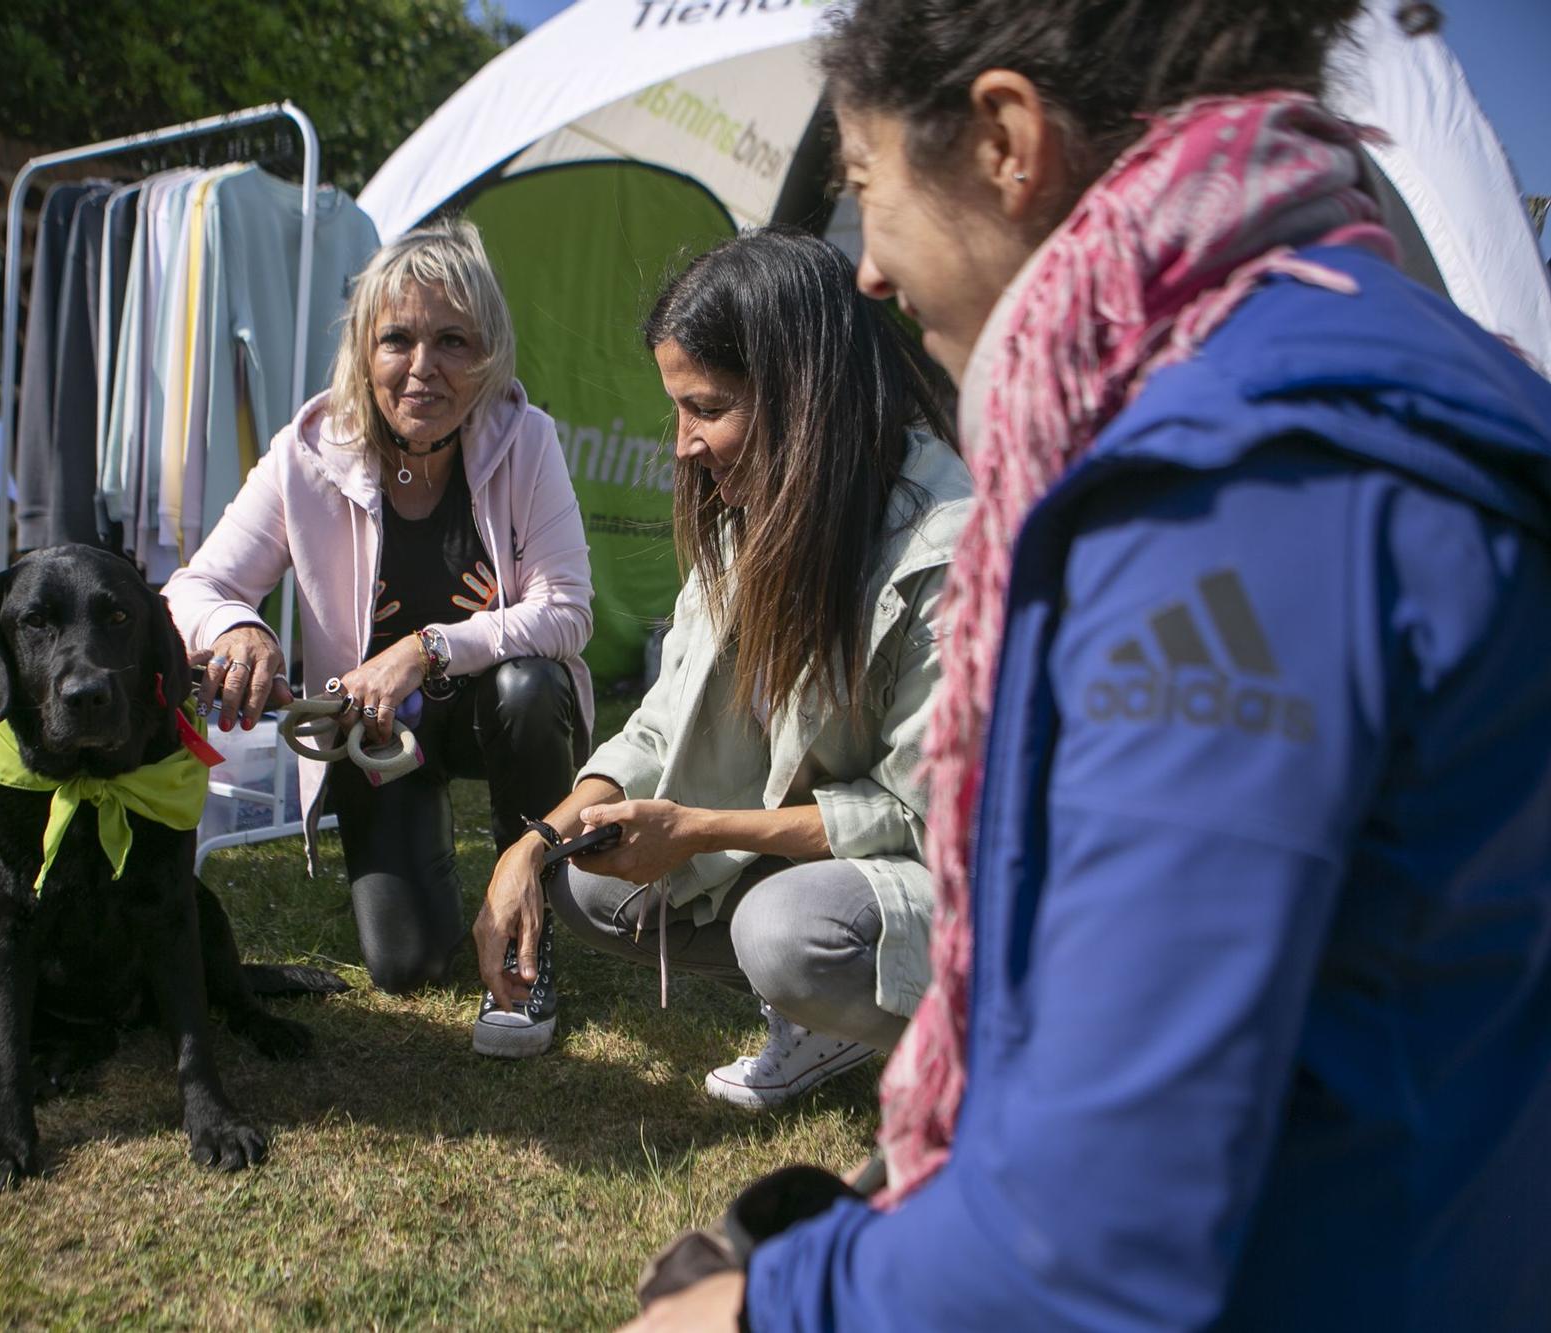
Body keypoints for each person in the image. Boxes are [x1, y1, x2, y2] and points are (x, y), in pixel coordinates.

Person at [626, 1, 1551, 1330]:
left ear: (1007, 139)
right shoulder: (1439, 378)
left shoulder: (1219, 493)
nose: (869, 272)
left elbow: (1085, 1243)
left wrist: (760, 1311)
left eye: (869, 186)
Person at [471, 229, 969, 1092]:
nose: (682, 445)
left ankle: (979, 1044)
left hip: (966, 886)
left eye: (707, 408)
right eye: (679, 410)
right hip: (829, 855)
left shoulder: (949, 550)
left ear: (803, 396)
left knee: (788, 931)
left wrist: (701, 832)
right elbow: (666, 716)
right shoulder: (762, 510)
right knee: (588, 882)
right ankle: (830, 1016)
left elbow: (928, 819)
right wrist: (537, 842)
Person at [164, 220, 594, 997]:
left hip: (493, 713)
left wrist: (424, 648)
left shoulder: (527, 440)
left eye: (453, 341)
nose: (422, 369)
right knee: (407, 967)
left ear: (489, 352)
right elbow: (193, 587)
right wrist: (241, 628)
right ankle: (429, 862)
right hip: (378, 741)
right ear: (364, 351)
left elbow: (568, 612)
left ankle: (534, 906)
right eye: (397, 339)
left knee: (531, 684)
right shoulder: (308, 454)